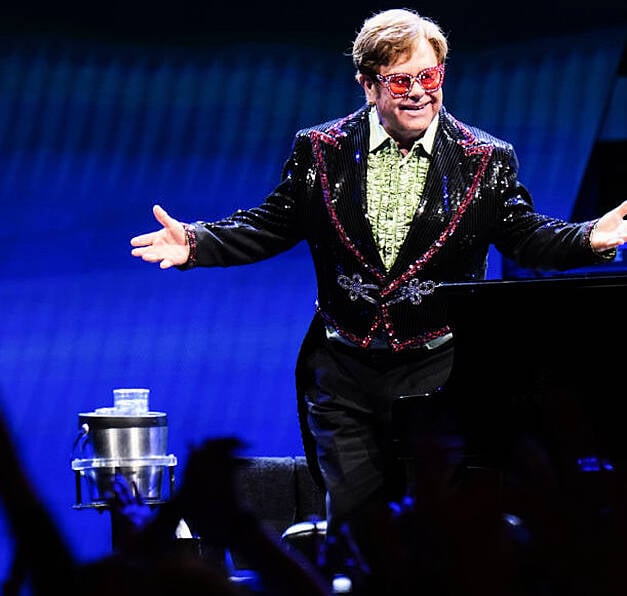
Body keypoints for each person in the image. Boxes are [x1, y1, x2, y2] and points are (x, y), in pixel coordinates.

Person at [129, 6, 627, 580]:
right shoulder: (320, 151)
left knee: (441, 537)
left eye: (430, 77)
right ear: (368, 83)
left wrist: (590, 238)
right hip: (344, 373)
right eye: (400, 80)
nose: (418, 93)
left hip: (440, 375)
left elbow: (525, 235)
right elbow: (272, 223)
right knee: (359, 532)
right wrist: (196, 243)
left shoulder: (485, 159)